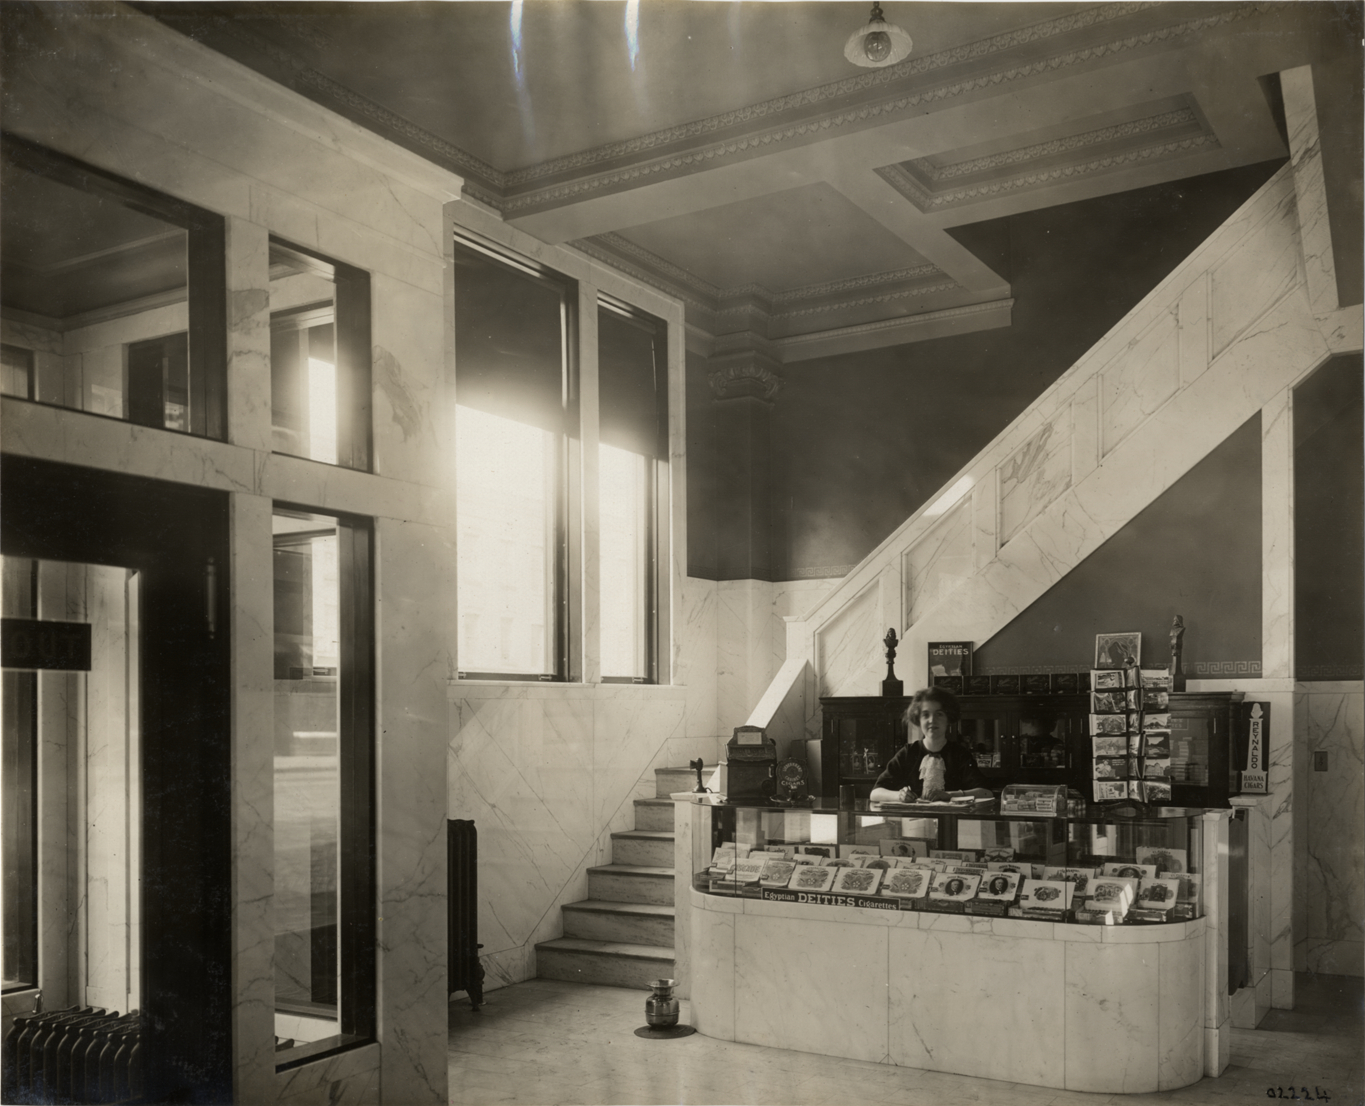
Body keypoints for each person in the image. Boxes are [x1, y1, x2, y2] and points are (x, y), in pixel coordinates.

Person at [869, 687, 993, 804]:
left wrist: (950, 795)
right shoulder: (908, 753)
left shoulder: (960, 754)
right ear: (918, 720)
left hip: (950, 823)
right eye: (925, 715)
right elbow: (875, 793)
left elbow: (986, 793)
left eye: (939, 714)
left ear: (948, 719)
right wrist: (899, 796)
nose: (932, 720)